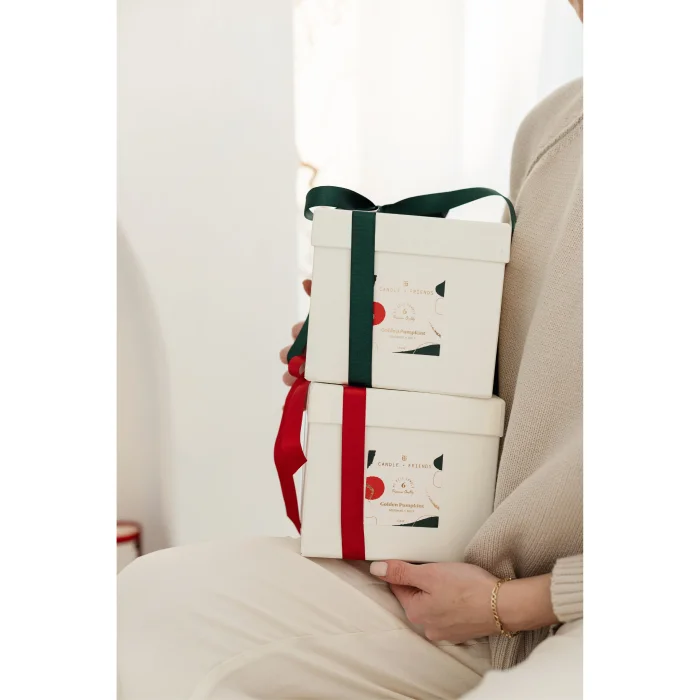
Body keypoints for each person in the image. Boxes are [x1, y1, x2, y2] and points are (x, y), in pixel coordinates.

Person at [118, 2, 583, 697]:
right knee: (152, 605)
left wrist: (511, 604)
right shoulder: (555, 128)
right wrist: (368, 357)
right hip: (484, 587)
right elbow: (520, 377)